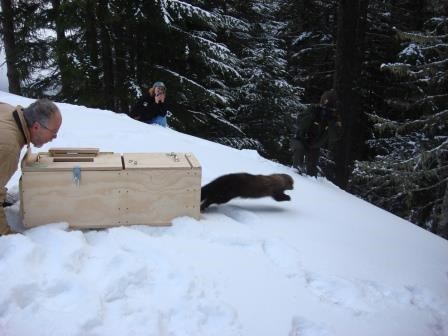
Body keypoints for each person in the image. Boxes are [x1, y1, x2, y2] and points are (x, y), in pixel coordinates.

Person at [0, 98, 62, 235]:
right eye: (53, 132)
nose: (55, 137)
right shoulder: (9, 147)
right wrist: (5, 234)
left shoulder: (8, 110)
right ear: (36, 127)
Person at [291, 89, 342, 176]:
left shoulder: (333, 120)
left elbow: (334, 137)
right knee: (299, 153)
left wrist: (332, 123)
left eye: (330, 109)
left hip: (315, 145)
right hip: (301, 139)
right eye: (325, 108)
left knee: (311, 173)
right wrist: (311, 117)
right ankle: (296, 171)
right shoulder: (313, 110)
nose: (326, 111)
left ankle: (311, 182)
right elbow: (300, 122)